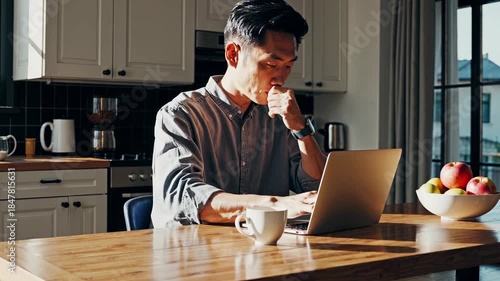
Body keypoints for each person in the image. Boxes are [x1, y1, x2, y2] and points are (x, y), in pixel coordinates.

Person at [152, 0, 327, 227]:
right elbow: (185, 198)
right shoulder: (180, 114)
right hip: (190, 253)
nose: (281, 79)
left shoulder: (281, 116)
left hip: (260, 251)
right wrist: (275, 204)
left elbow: (315, 188)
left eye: (288, 66)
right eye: (271, 65)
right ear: (233, 54)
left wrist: (300, 129)